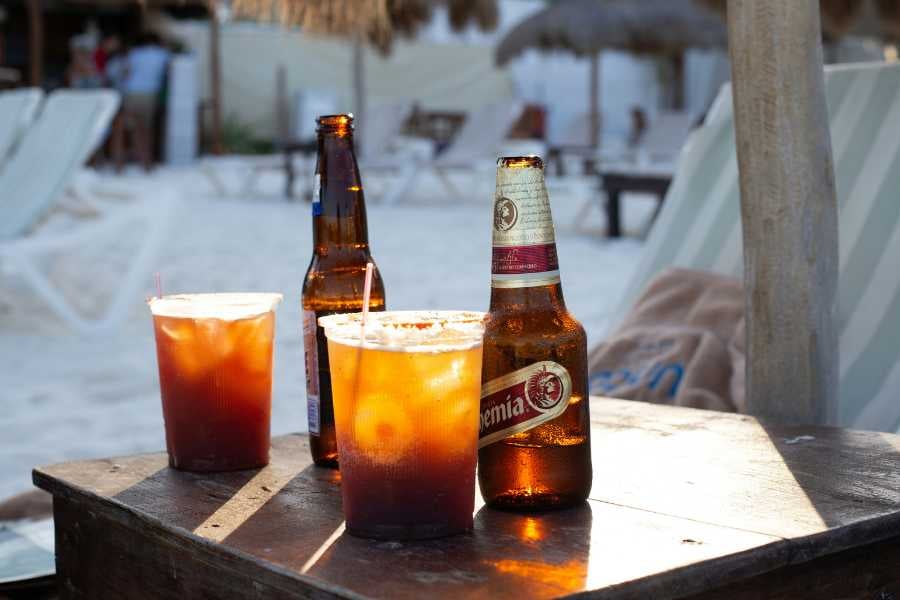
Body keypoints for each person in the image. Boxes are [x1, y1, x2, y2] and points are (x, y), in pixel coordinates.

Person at [112, 31, 171, 172]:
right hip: (150, 94)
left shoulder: (135, 53)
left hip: (132, 93)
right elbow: (169, 72)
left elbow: (126, 72)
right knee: (146, 130)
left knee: (125, 129)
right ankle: (146, 164)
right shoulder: (163, 54)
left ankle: (119, 165)